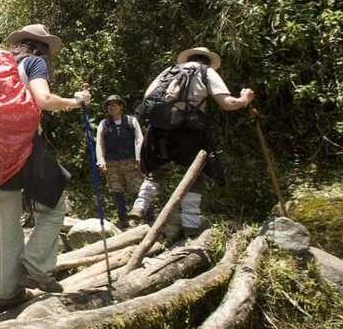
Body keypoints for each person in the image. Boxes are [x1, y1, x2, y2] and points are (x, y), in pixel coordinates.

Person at [0, 24, 91, 308]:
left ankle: (6, 292)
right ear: (40, 47)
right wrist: (75, 101)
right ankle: (35, 265)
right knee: (55, 207)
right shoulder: (34, 62)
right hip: (26, 147)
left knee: (7, 221)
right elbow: (43, 99)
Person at [129, 47, 253, 236]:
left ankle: (140, 206)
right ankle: (190, 225)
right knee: (197, 175)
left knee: (157, 170)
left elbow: (147, 97)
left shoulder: (169, 71)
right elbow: (227, 104)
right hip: (189, 129)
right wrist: (244, 99)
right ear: (207, 61)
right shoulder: (206, 72)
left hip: (160, 129)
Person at [94, 95, 144, 229]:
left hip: (130, 161)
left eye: (115, 105)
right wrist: (101, 160)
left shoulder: (131, 121)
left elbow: (139, 140)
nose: (112, 107)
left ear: (121, 107)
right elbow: (99, 143)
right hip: (112, 163)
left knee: (138, 190)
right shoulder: (104, 124)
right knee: (116, 191)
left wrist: (139, 159)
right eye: (109, 105)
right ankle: (123, 220)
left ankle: (148, 218)